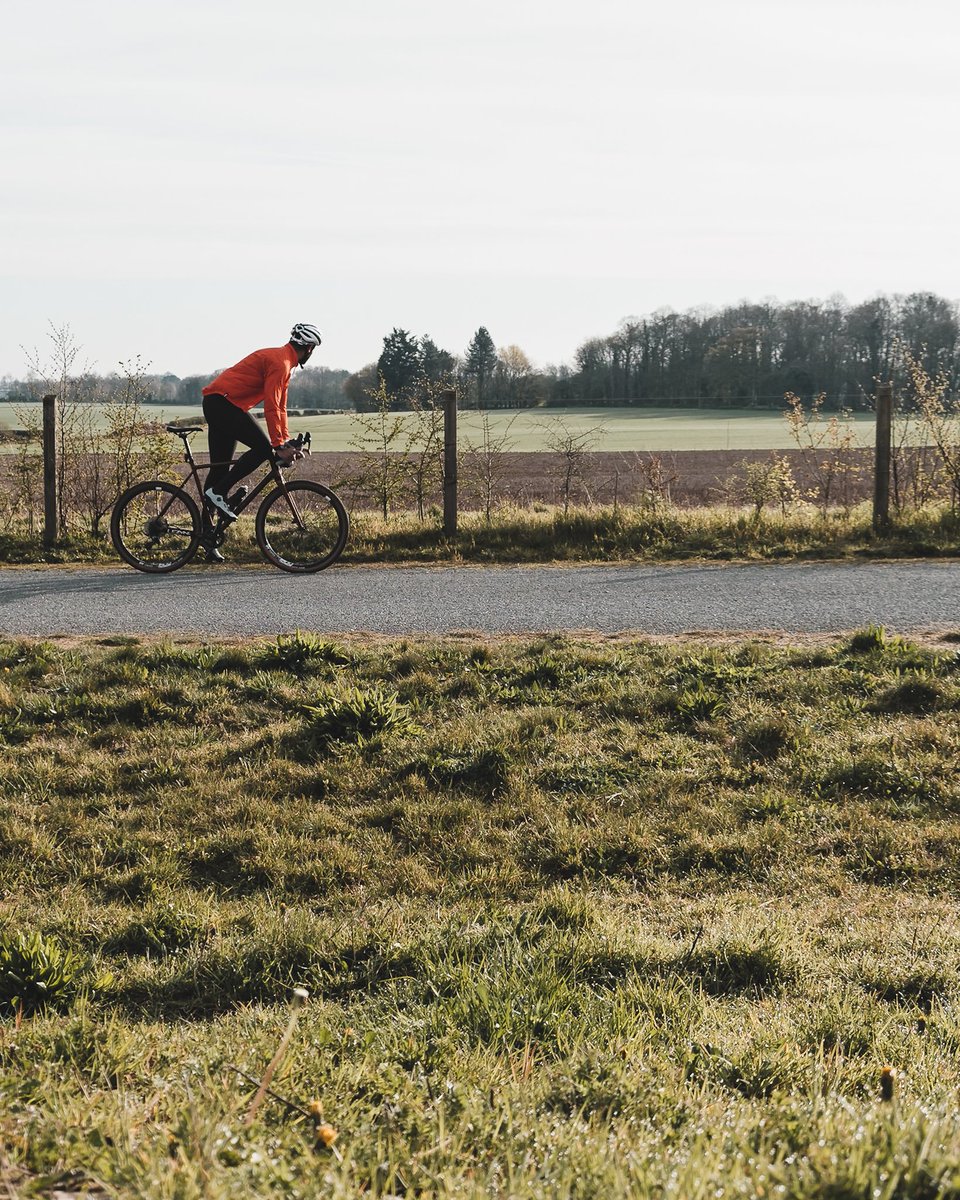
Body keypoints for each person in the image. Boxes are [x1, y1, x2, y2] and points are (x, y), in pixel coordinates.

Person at [198, 322, 321, 560]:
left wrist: (284, 441)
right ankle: (219, 493)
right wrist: (276, 446)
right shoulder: (280, 362)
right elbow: (272, 406)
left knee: (219, 469)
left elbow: (281, 408)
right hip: (222, 404)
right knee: (263, 449)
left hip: (222, 404)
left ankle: (206, 538)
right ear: (308, 348)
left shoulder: (285, 362)